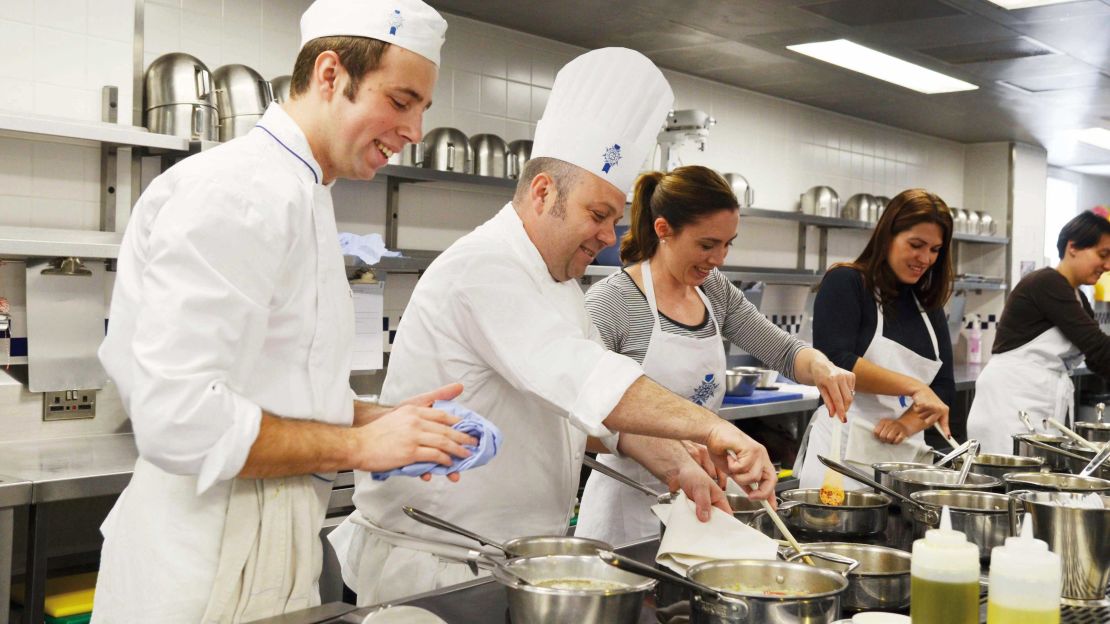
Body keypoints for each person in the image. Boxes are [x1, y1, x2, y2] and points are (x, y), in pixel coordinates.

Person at [330, 47, 856, 605]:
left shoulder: (557, 283)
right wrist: (713, 429)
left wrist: (681, 464)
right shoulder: (483, 267)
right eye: (599, 214)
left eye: (614, 218)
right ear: (542, 193)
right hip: (438, 570)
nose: (609, 236)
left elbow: (594, 418)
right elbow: (589, 380)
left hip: (512, 563)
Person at [90, 2, 476, 622]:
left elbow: (272, 385)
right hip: (203, 576)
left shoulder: (304, 192)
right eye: (402, 101)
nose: (414, 131)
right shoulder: (238, 191)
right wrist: (359, 445)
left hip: (257, 556)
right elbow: (178, 417)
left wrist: (382, 421)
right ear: (330, 75)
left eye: (423, 110)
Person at [573, 165, 855, 546]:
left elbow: (784, 351)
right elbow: (580, 418)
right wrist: (669, 452)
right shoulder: (612, 301)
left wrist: (823, 367)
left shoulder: (714, 292)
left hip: (702, 500)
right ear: (663, 230)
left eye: (728, 244)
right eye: (707, 245)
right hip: (628, 510)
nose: (719, 258)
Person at [795, 189, 956, 489]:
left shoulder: (928, 307)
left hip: (905, 462)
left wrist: (905, 424)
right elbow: (837, 361)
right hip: (840, 459)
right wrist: (915, 387)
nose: (925, 258)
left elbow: (943, 387)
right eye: (916, 245)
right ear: (888, 235)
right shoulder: (846, 282)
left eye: (935, 250)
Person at [967, 211, 1110, 453]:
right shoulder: (1046, 283)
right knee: (1012, 483)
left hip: (1036, 402)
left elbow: (1099, 358)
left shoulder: (1077, 298)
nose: (1107, 266)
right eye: (1102, 255)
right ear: (1072, 247)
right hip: (1010, 405)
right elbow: (1099, 347)